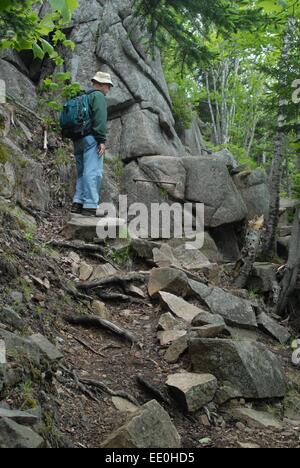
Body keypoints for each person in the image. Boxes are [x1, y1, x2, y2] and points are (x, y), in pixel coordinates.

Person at [71, 72, 113, 216]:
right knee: (93, 171)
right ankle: (90, 205)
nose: (109, 89)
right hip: (91, 139)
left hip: (77, 139)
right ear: (101, 84)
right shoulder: (98, 96)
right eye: (108, 85)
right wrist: (101, 140)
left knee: (82, 172)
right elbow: (100, 119)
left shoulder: (82, 96)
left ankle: (78, 203)